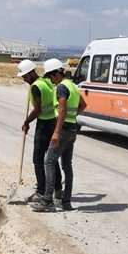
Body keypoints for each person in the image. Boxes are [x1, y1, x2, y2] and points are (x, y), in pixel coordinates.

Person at [32, 58, 87, 212]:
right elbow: (83, 105)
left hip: (63, 131)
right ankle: (66, 202)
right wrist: (71, 117)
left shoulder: (62, 87)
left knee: (48, 161)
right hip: (72, 130)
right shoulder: (73, 86)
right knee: (67, 166)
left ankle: (47, 200)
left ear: (56, 73)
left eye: (50, 76)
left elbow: (62, 110)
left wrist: (56, 132)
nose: (50, 79)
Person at [18, 58, 63, 206]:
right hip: (53, 121)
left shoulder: (36, 87)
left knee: (38, 159)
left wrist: (26, 122)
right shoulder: (46, 82)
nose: (24, 79)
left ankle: (41, 191)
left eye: (25, 76)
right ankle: (57, 189)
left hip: (44, 125)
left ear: (31, 73)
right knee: (52, 157)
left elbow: (38, 110)